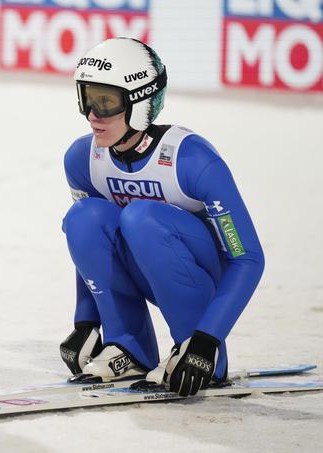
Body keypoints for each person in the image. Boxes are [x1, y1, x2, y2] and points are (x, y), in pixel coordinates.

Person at [59, 38, 264, 397]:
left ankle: (189, 348)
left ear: (138, 102)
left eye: (105, 101)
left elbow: (247, 258)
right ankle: (129, 347)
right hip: (144, 264)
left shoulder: (193, 161)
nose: (93, 113)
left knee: (142, 217)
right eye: (86, 97)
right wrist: (86, 320)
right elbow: (89, 244)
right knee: (82, 217)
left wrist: (206, 341)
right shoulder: (83, 160)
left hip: (200, 274)